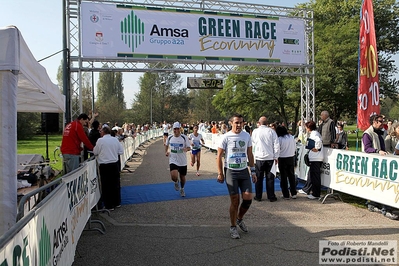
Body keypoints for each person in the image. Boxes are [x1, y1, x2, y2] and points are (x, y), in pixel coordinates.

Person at [216, 113, 257, 239]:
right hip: (231, 171)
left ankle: (239, 218)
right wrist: (220, 173)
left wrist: (253, 171)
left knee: (248, 198)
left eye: (241, 122)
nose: (239, 125)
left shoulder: (246, 136)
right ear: (231, 123)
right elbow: (219, 156)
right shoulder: (226, 137)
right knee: (235, 200)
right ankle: (233, 226)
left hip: (244, 171)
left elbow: (250, 154)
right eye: (236, 122)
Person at [362, 114, 398, 220]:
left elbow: (383, 147)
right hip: (373, 163)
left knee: (379, 185)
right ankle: (385, 208)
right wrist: (378, 151)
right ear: (374, 122)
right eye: (380, 121)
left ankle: (374, 204)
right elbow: (367, 149)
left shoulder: (380, 133)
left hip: (380, 163)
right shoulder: (367, 133)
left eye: (383, 121)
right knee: (383, 185)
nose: (383, 123)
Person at [93, 125, 124, 211]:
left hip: (105, 165)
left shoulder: (100, 140)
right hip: (114, 164)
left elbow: (95, 151)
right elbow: (121, 151)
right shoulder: (115, 139)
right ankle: (117, 202)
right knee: (116, 183)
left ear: (103, 132)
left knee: (106, 185)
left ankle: (109, 205)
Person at [251, 116, 280, 202]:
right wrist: (276, 156)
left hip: (259, 157)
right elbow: (276, 145)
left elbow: (253, 142)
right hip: (270, 157)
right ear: (267, 123)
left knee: (258, 178)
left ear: (259, 123)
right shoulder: (271, 131)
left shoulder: (255, 131)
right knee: (270, 178)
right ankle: (271, 196)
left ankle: (258, 196)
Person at [298, 121, 324, 200]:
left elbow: (318, 141)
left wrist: (316, 148)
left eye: (306, 127)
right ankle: (311, 190)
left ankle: (316, 194)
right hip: (314, 157)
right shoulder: (314, 133)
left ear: (308, 127)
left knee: (315, 176)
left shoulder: (314, 134)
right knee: (312, 175)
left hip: (316, 158)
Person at [165, 122, 191, 197]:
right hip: (173, 159)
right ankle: (176, 182)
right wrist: (166, 152)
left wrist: (186, 149)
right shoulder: (170, 137)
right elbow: (166, 145)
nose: (176, 130)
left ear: (180, 129)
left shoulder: (184, 137)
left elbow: (189, 147)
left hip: (182, 160)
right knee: (173, 176)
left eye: (177, 129)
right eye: (174, 129)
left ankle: (182, 188)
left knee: (182, 177)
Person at [275, 125, 297, 199]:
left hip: (282, 158)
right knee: (291, 176)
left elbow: (277, 149)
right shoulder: (291, 137)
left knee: (283, 177)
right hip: (291, 157)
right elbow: (295, 147)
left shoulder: (279, 139)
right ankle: (293, 193)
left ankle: (285, 194)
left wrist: (276, 157)